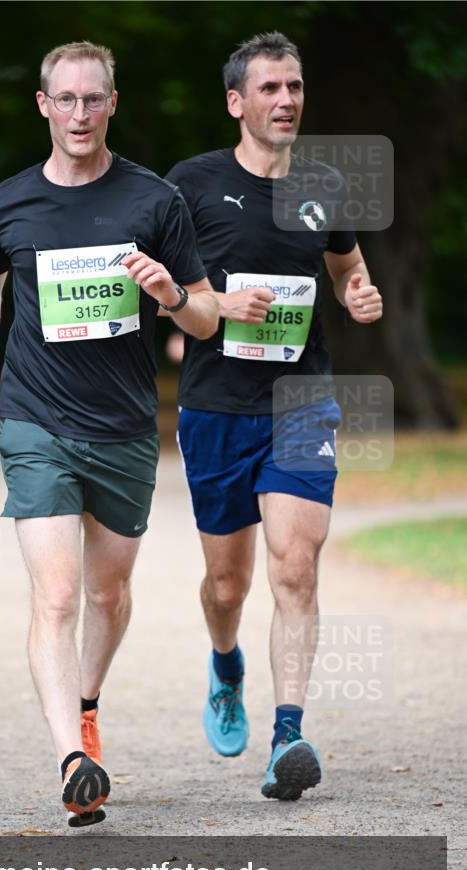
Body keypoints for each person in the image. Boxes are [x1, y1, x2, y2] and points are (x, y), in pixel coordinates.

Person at [0, 41, 218, 825]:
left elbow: (203, 316)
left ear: (111, 104)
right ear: (43, 105)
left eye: (91, 100)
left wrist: (170, 294)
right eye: (63, 100)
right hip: (36, 417)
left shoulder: (154, 200)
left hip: (125, 425)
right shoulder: (7, 202)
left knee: (107, 591)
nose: (77, 114)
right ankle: (72, 758)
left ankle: (88, 706)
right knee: (58, 593)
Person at [166, 32, 383, 801]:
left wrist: (358, 292)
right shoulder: (189, 185)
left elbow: (346, 262)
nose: (285, 99)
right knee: (227, 585)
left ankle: (286, 737)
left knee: (295, 566)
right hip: (216, 404)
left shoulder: (322, 183)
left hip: (300, 399)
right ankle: (226, 666)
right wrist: (210, 305)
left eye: (293, 86)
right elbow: (159, 288)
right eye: (268, 89)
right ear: (236, 102)